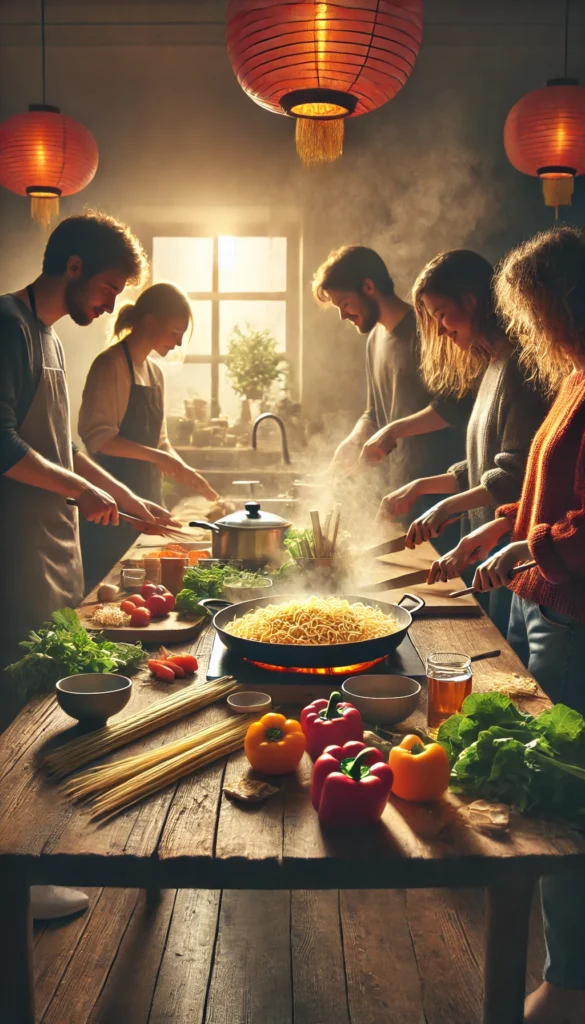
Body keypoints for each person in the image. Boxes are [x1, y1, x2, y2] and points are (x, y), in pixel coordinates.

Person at [430, 227, 585, 1024]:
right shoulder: (570, 381)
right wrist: (497, 532)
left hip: (571, 615)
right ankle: (559, 958)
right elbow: (536, 493)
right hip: (538, 601)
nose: (522, 326)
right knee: (540, 792)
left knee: (560, 801)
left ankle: (569, 979)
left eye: (531, 308)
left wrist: (535, 543)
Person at [0, 211, 173, 921]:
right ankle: (16, 883)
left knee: (35, 700)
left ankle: (25, 867)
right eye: (107, 286)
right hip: (10, 550)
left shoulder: (54, 342)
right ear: (71, 267)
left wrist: (120, 494)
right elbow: (3, 447)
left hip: (46, 543)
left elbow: (66, 447)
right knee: (13, 709)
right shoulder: (7, 327)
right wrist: (85, 489)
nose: (109, 304)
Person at [379, 249, 548, 633]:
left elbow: (513, 475)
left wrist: (445, 506)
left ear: (470, 301)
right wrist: (421, 487)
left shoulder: (522, 369)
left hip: (511, 556)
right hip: (482, 554)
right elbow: (479, 467)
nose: (439, 329)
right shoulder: (491, 366)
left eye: (440, 313)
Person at [311, 246, 470, 528]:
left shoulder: (429, 331)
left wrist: (393, 431)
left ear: (368, 287)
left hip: (439, 495)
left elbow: (453, 407)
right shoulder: (374, 339)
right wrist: (352, 442)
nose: (343, 316)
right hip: (399, 494)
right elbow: (374, 411)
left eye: (344, 303)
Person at [78, 282, 218, 590]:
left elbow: (160, 441)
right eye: (175, 331)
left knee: (150, 588)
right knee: (110, 591)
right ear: (150, 322)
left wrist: (184, 470)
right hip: (110, 506)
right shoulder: (110, 365)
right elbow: (98, 439)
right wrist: (161, 457)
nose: (178, 343)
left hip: (149, 497)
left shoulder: (155, 372)